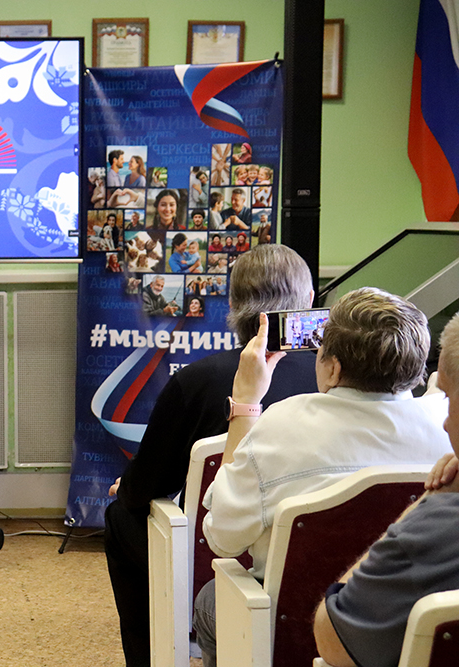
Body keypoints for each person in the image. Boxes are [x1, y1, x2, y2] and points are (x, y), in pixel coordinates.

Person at [193, 288, 452, 667]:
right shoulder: (446, 427)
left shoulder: (281, 424)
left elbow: (222, 537)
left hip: (295, 632)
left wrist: (246, 401)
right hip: (404, 631)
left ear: (332, 368)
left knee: (210, 600)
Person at [106, 245, 318, 667]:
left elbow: (146, 487)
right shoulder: (331, 380)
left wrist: (127, 488)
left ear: (233, 305)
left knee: (120, 516)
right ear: (308, 302)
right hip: (313, 555)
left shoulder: (196, 382)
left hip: (215, 554)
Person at [313, 312, 459, 667]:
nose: (444, 421)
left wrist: (432, 499)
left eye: (448, 398)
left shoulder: (441, 522)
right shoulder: (431, 427)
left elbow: (332, 639)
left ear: (334, 367)